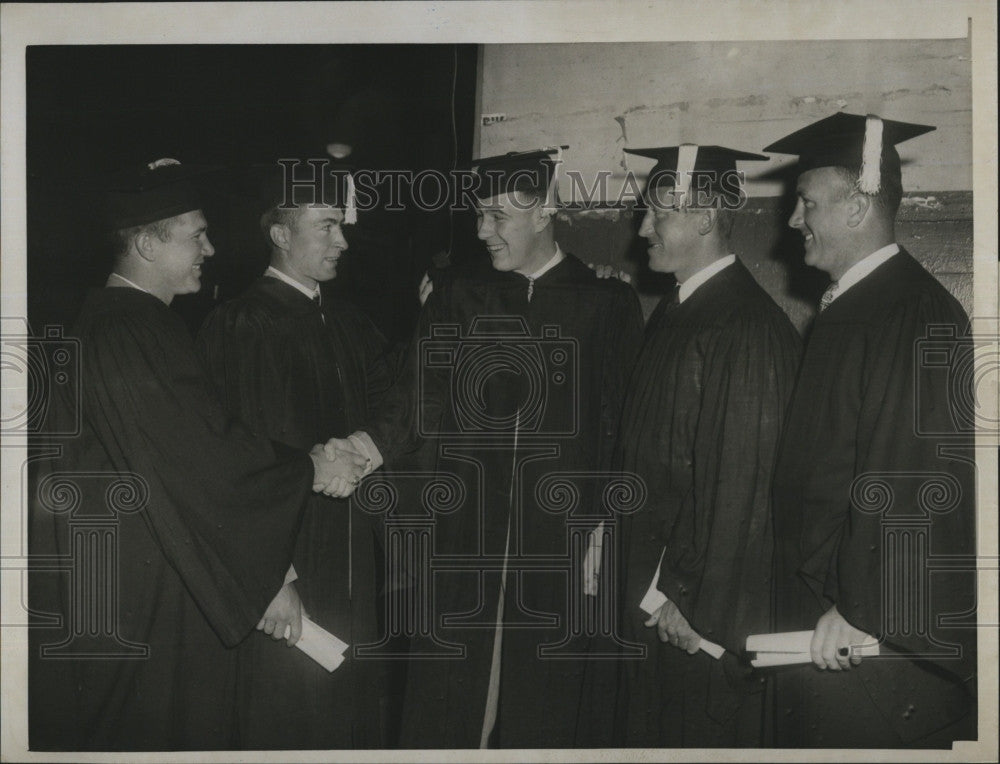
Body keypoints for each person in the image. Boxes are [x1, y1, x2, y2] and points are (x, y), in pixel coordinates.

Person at [28, 159, 361, 751]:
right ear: (149, 244)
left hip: (121, 575)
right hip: (148, 588)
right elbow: (204, 458)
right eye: (196, 234)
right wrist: (309, 467)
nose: (211, 247)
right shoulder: (134, 332)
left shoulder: (111, 324)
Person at [328, 147, 645, 748]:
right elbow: (419, 392)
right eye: (478, 214)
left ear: (546, 211)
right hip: (466, 534)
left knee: (542, 698)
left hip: (556, 538)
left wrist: (603, 521)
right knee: (451, 695)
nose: (482, 230)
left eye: (499, 217)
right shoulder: (459, 294)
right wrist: (365, 448)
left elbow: (619, 422)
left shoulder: (605, 303)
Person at [764, 112, 977, 747]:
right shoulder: (852, 306)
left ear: (857, 208)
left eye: (807, 204)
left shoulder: (909, 309)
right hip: (828, 608)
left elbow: (909, 476)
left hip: (863, 633)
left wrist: (863, 610)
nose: (795, 222)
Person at [197, 159, 394, 748]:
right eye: (327, 225)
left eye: (343, 224)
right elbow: (231, 467)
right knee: (288, 717)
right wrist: (272, 578)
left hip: (355, 558)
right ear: (281, 235)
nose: (343, 240)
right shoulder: (238, 326)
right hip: (290, 567)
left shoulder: (350, 320)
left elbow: (393, 406)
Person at [612, 145, 802, 747]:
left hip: (695, 613)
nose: (643, 228)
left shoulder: (743, 325)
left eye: (657, 214)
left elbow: (742, 486)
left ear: (704, 216)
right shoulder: (679, 308)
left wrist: (690, 598)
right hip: (655, 591)